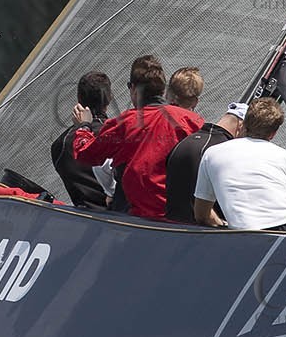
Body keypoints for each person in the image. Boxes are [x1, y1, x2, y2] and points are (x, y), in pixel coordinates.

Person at [72, 56, 203, 218]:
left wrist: (83, 126)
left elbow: (85, 154)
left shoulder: (123, 124)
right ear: (162, 90)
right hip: (183, 219)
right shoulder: (192, 121)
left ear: (133, 88)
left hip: (141, 223)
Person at [192, 98, 286, 233]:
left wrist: (223, 224)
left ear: (243, 124)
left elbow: (201, 215)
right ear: (273, 133)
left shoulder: (212, 154)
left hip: (251, 232)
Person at [165, 102, 246, 223]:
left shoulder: (186, 141)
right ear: (241, 125)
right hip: (201, 232)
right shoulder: (223, 150)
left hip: (168, 227)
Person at [51, 72, 115, 208]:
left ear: (79, 100)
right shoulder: (118, 133)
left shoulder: (59, 146)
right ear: (109, 98)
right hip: (123, 217)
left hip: (87, 221)